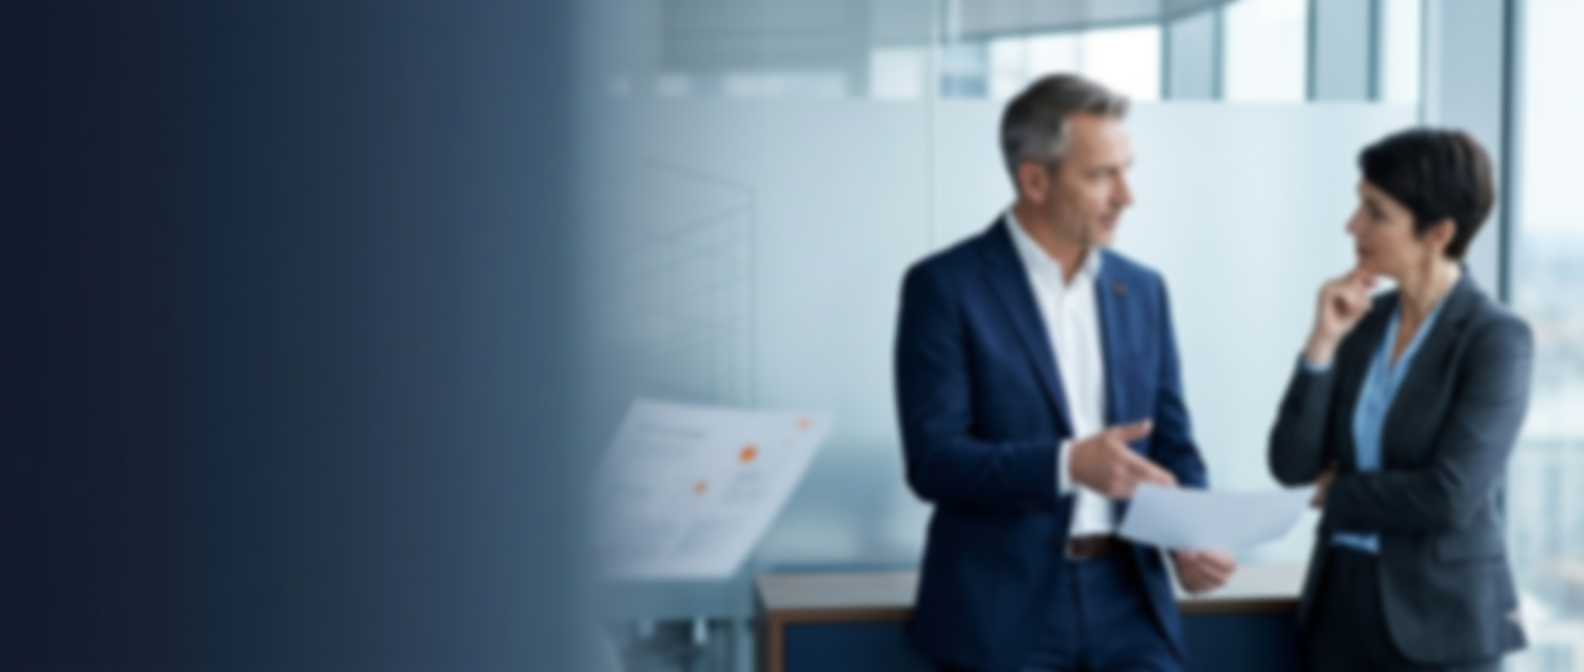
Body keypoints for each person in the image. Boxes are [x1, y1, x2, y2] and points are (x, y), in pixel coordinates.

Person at [893, 73, 1236, 672]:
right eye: (1102, 174)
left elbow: (1174, 445)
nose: (1126, 194)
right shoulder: (944, 287)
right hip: (1005, 612)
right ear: (1034, 180)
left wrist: (1192, 535)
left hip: (1131, 601)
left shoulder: (1143, 290)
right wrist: (1069, 463)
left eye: (1126, 170)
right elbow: (934, 461)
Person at [1269, 128, 1532, 672]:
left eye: (1376, 212)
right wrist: (1321, 343)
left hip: (1440, 619)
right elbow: (1293, 466)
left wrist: (1336, 493)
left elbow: (1449, 493)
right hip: (1340, 605)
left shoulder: (1496, 338)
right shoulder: (1361, 324)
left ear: (1438, 233)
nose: (1352, 225)